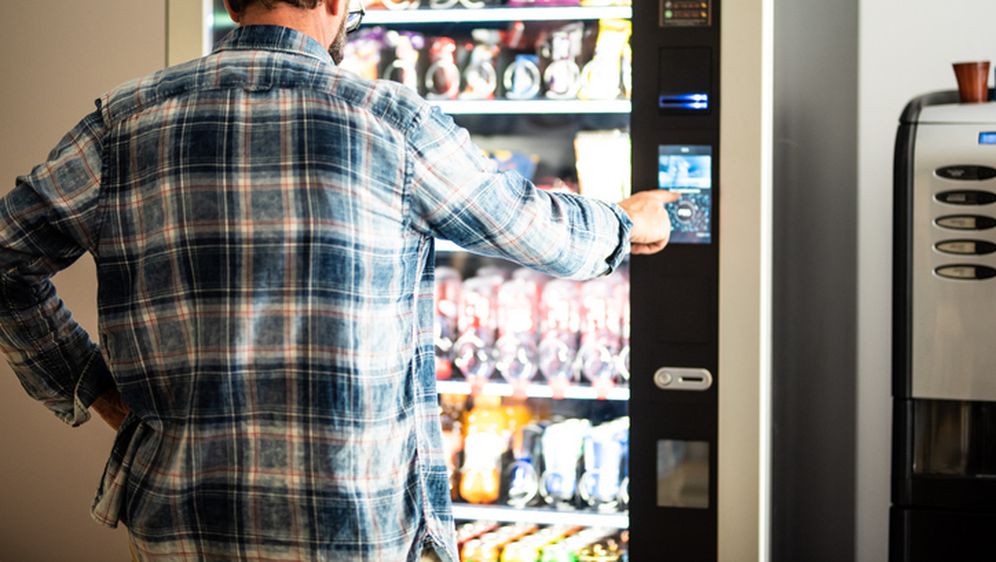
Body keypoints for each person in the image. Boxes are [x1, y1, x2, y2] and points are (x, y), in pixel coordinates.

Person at [0, 0, 676, 560]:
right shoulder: (390, 121)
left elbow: (6, 259)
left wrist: (91, 387)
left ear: (231, 4)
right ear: (333, 3)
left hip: (180, 515)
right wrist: (625, 221)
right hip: (353, 520)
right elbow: (537, 231)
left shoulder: (124, 122)